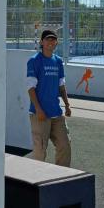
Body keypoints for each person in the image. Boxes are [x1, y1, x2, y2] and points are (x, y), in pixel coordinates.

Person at [26, 29, 72, 166]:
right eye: (47, 39)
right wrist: (39, 109)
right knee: (40, 151)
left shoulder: (58, 61)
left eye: (53, 39)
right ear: (41, 42)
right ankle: (38, 181)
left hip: (56, 114)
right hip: (39, 114)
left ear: (56, 42)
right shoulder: (34, 61)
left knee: (65, 145)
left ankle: (62, 177)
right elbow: (30, 87)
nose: (51, 42)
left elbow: (61, 86)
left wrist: (67, 105)